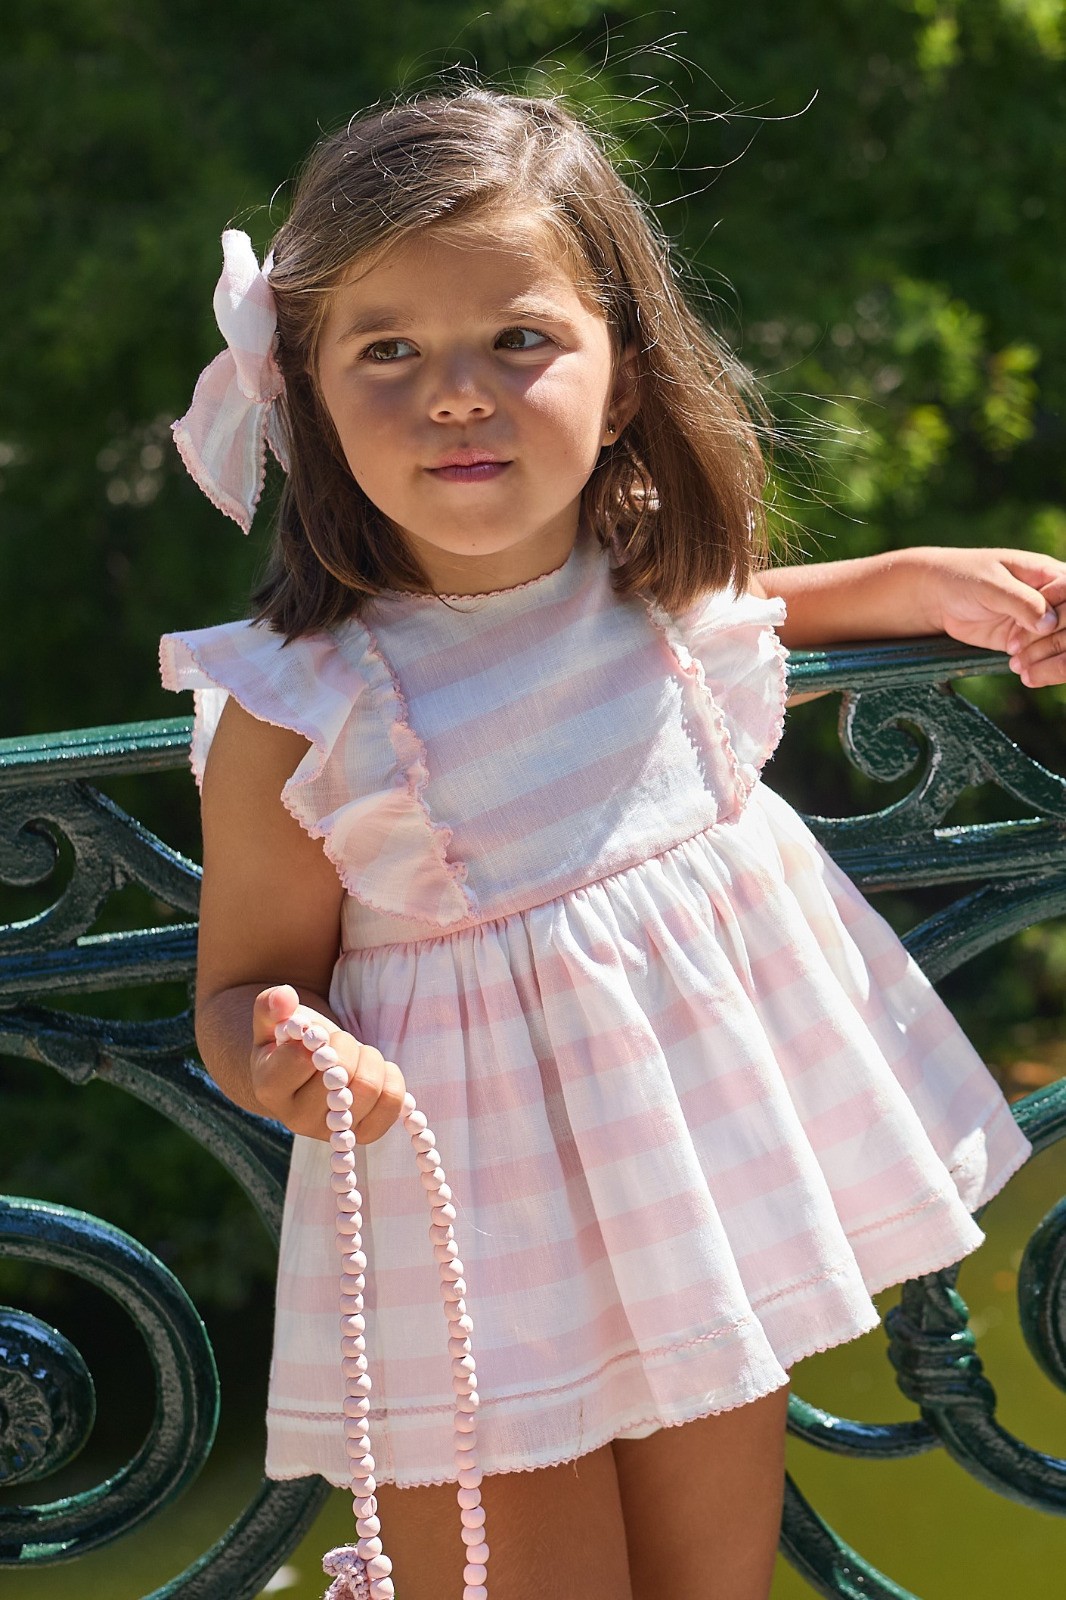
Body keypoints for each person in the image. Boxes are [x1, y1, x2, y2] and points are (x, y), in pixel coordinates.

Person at [160, 89, 1066, 1600]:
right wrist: (281, 1053)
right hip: (472, 1249)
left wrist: (914, 581)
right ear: (305, 391)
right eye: (388, 351)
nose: (457, 396)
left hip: (690, 1204)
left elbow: (749, 608)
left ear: (623, 375)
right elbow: (237, 989)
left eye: (516, 339)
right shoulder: (305, 709)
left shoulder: (647, 584)